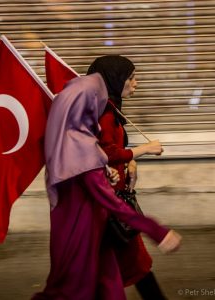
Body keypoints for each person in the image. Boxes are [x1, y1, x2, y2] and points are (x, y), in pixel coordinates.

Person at [32, 73, 181, 300]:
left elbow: (84, 177)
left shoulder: (65, 141)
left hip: (89, 238)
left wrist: (103, 171)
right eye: (97, 102)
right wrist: (157, 232)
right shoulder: (82, 149)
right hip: (82, 244)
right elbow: (113, 204)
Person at [87, 55, 172, 300]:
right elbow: (106, 151)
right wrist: (144, 150)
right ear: (114, 80)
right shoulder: (104, 112)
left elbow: (115, 147)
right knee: (132, 264)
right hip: (108, 206)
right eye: (131, 78)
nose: (135, 83)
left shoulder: (110, 108)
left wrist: (130, 162)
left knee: (120, 266)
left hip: (114, 201)